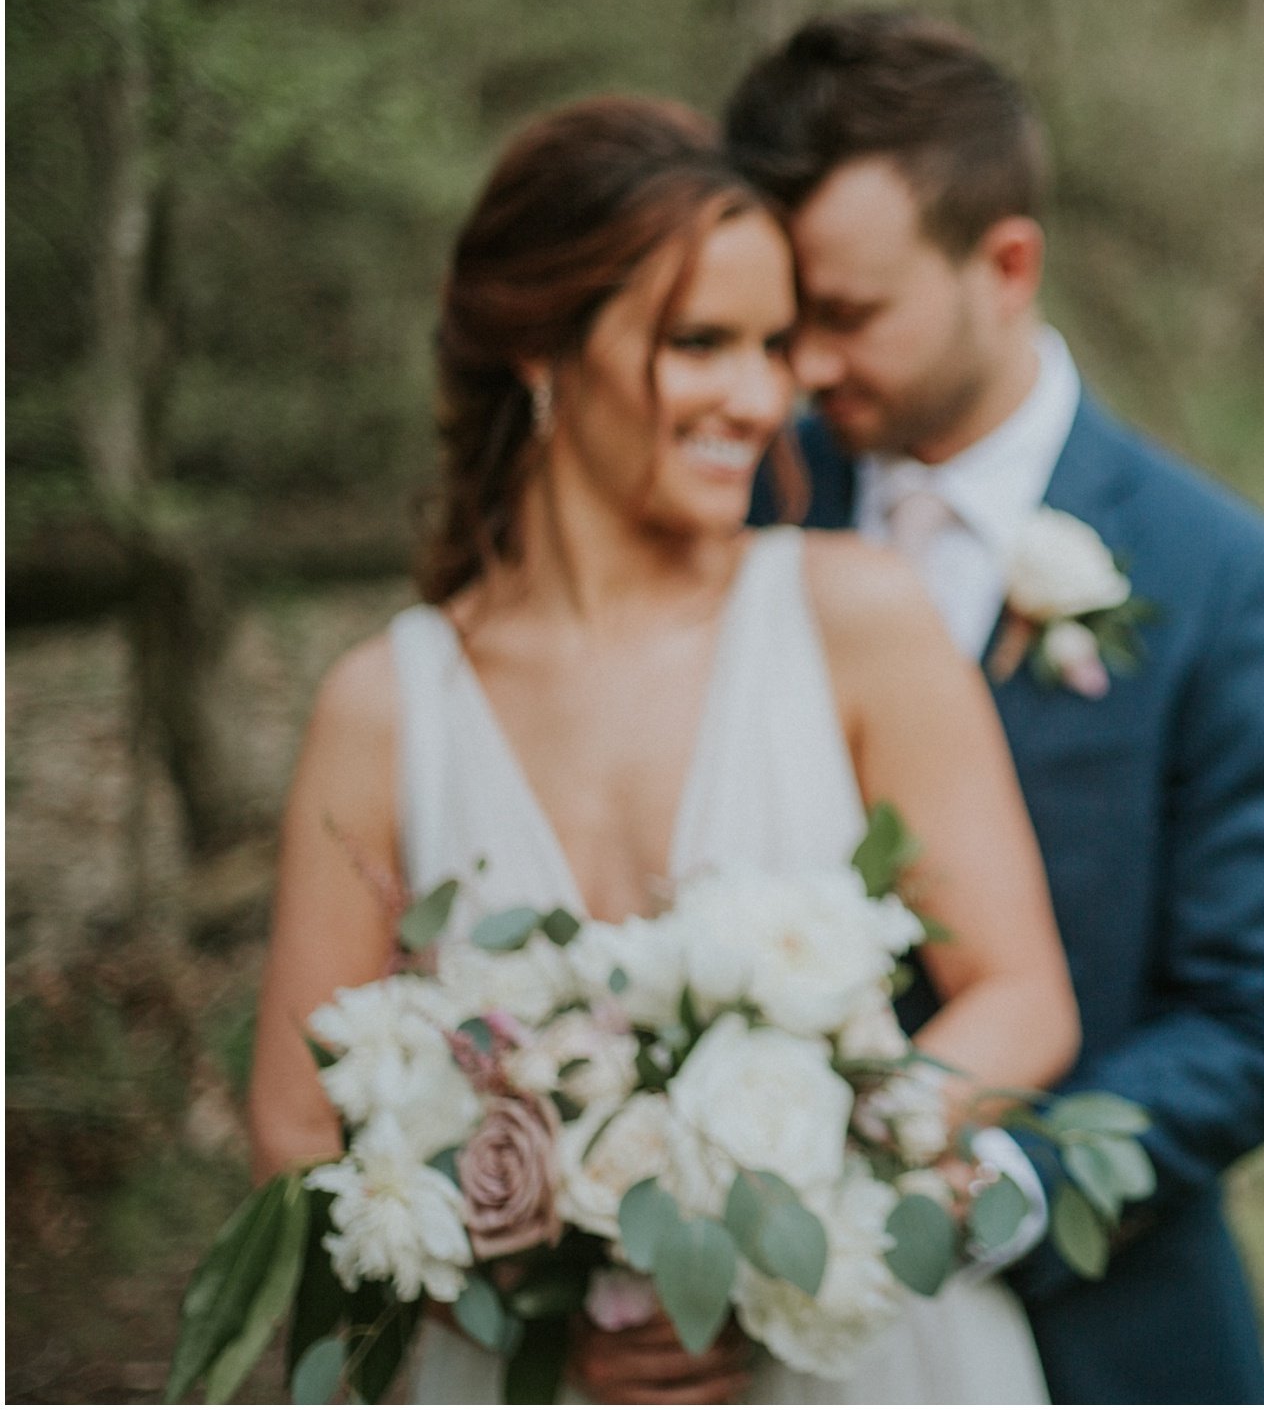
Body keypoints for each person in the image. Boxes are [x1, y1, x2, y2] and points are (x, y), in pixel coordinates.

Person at [247, 96, 1080, 1404]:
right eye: (702, 343)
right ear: (542, 348)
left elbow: (1023, 994)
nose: (760, 398)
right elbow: (297, 1133)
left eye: (775, 345)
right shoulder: (384, 707)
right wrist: (553, 1285)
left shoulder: (852, 615)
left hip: (841, 1358)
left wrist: (789, 1207)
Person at [727, 10, 1264, 1405]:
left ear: (1005, 266)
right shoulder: (735, 513)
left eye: (849, 315)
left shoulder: (1224, 580)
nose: (803, 369)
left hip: (1105, 1334)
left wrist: (988, 1191)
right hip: (740, 1337)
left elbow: (1255, 1022)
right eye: (782, 319)